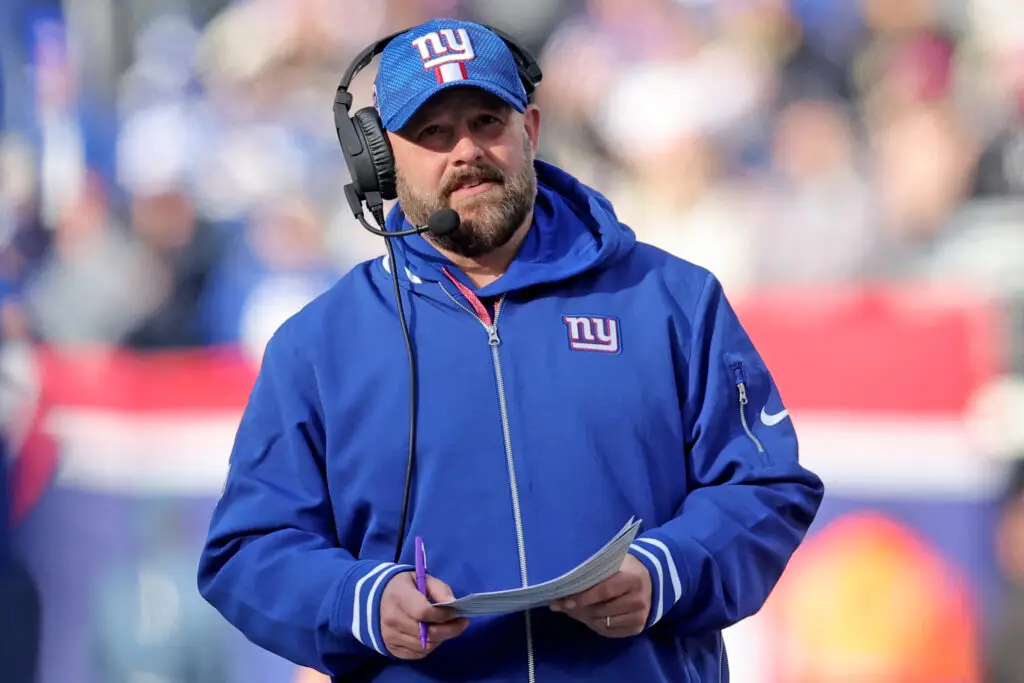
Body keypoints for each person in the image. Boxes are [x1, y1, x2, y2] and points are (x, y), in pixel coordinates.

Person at [197, 18, 825, 683]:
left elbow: (767, 487)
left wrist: (667, 570)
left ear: (529, 129)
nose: (466, 149)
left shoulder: (671, 299)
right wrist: (360, 600)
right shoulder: (317, 347)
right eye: (433, 132)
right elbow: (247, 549)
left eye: (486, 121)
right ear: (380, 157)